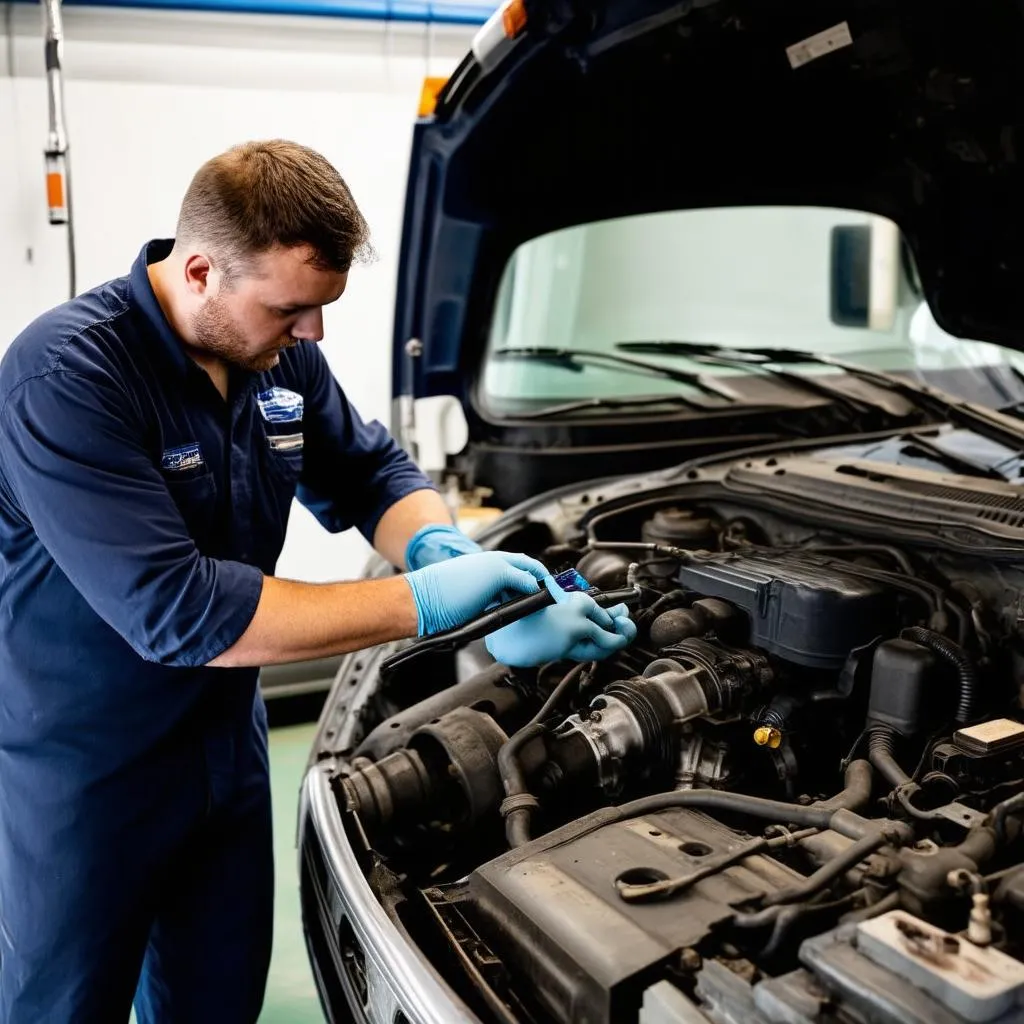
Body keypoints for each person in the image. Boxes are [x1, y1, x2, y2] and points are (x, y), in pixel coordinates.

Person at [0, 140, 636, 1022]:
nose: (314, 335)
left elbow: (371, 471)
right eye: (293, 309)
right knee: (64, 1007)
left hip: (225, 750)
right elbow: (183, 614)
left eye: (322, 309)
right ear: (199, 272)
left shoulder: (276, 358)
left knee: (216, 1002)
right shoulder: (67, 379)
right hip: (84, 768)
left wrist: (438, 552)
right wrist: (429, 605)